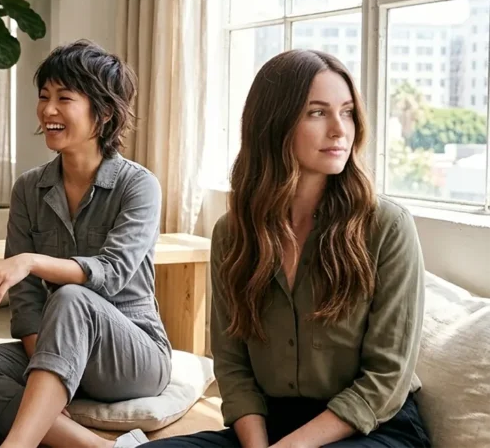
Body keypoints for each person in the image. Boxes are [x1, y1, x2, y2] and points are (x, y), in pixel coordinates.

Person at [146, 49, 430, 448]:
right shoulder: (233, 234)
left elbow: (387, 377)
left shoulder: (387, 226)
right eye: (317, 112)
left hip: (371, 429)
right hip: (269, 427)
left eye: (347, 112)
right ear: (274, 124)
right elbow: (232, 364)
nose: (339, 130)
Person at [0, 41, 172, 448]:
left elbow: (111, 273)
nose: (48, 110)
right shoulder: (30, 187)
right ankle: (98, 447)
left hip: (133, 354)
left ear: (103, 112)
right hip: (59, 347)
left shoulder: (138, 185)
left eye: (64, 98)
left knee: (70, 297)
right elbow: (27, 304)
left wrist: (30, 260)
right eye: (44, 97)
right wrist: (43, 372)